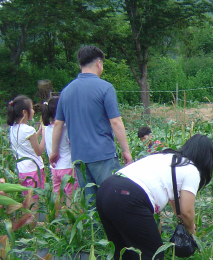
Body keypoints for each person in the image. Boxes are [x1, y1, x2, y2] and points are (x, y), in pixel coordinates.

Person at [96, 134, 213, 260]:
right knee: (153, 254)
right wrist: (192, 231)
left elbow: (175, 203)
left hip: (107, 190)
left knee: (124, 253)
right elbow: (187, 211)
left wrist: (182, 221)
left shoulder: (167, 158)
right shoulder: (191, 170)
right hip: (130, 197)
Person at [50, 45, 132, 199]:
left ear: (80, 65)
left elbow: (58, 124)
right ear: (98, 63)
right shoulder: (105, 88)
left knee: (90, 205)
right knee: (113, 199)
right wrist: (126, 150)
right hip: (103, 155)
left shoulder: (66, 91)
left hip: (79, 157)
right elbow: (115, 121)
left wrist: (55, 151)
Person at [7, 95, 46, 202]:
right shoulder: (29, 129)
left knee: (27, 202)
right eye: (32, 108)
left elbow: (27, 142)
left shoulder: (13, 128)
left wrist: (38, 132)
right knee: (34, 204)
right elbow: (39, 151)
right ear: (25, 112)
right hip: (34, 171)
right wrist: (44, 136)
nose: (33, 111)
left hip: (22, 172)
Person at [41, 97, 79, 207]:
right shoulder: (66, 128)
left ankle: (57, 221)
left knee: (57, 195)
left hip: (55, 168)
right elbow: (73, 144)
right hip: (68, 167)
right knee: (71, 197)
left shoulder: (47, 128)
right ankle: (71, 222)